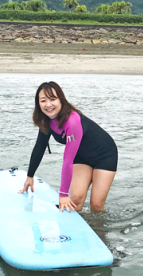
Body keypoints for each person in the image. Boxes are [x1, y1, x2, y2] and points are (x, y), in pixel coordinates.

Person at [20, 81, 118, 213]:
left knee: (96, 204)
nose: (48, 105)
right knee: (76, 200)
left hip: (104, 155)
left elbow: (67, 160)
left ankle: (98, 232)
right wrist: (30, 176)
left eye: (52, 99)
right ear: (38, 103)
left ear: (61, 100)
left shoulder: (71, 121)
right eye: (43, 100)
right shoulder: (46, 120)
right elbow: (40, 146)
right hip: (81, 156)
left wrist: (63, 195)